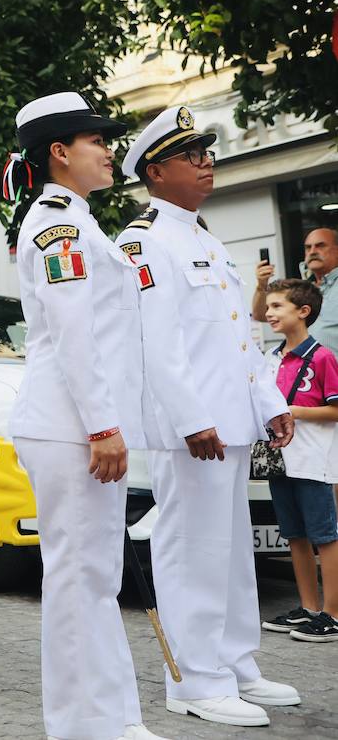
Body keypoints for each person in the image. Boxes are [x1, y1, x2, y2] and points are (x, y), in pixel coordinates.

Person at [118, 104, 299, 727]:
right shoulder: (144, 241)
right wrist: (191, 419)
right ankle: (194, 680)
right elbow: (157, 343)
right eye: (190, 156)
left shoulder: (207, 241)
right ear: (156, 171)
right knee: (190, 549)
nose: (205, 164)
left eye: (207, 154)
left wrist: (269, 403)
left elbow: (239, 339)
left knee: (230, 552)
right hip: (193, 430)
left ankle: (235, 664)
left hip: (233, 422)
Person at [3, 92, 160, 740]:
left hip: (79, 423)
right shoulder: (57, 227)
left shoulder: (80, 221)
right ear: (60, 153)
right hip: (67, 425)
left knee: (97, 578)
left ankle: (115, 718)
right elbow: (73, 335)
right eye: (97, 140)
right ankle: (75, 726)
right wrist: (103, 425)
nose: (109, 150)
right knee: (75, 580)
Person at [259, 278, 338, 642]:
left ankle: (333, 614)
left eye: (278, 306)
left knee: (325, 536)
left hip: (312, 460)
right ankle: (309, 608)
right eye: (268, 306)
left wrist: (293, 411)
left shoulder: (322, 357)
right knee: (294, 535)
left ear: (303, 311)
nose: (269, 313)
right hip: (280, 460)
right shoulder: (270, 358)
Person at [252, 229, 338, 352]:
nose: (313, 251)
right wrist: (261, 285)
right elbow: (260, 315)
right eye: (308, 247)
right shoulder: (300, 287)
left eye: (320, 246)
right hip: (303, 363)